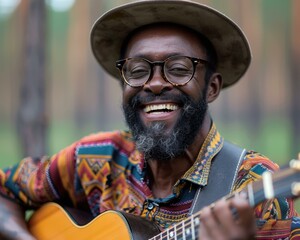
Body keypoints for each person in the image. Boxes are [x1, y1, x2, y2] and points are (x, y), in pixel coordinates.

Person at [0, 0, 299, 239]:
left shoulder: (256, 186)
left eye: (179, 68)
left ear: (212, 87)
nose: (154, 84)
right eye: (138, 70)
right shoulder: (98, 159)